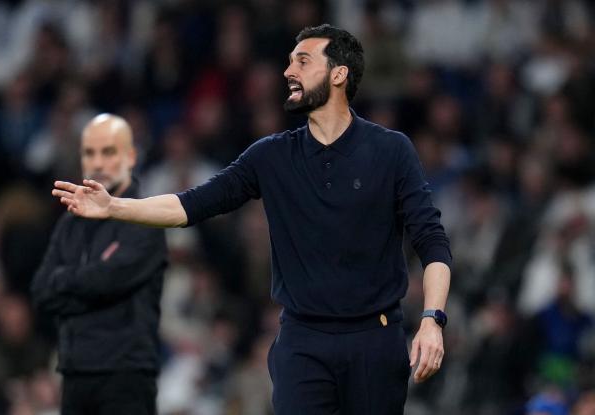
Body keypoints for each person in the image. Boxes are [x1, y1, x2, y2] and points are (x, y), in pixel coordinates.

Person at [53, 24, 451, 415]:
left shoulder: (391, 150)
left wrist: (432, 319)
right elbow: (190, 206)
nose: (288, 71)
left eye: (303, 61)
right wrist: (114, 207)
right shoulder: (270, 156)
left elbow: (431, 240)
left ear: (338, 74)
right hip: (303, 342)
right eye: (289, 61)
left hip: (375, 340)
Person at [32, 114, 167, 415]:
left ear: (130, 157)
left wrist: (65, 281)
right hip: (74, 372)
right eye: (89, 153)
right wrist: (89, 282)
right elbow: (41, 291)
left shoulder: (145, 217)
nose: (97, 163)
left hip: (126, 375)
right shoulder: (69, 223)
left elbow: (109, 281)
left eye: (108, 152)